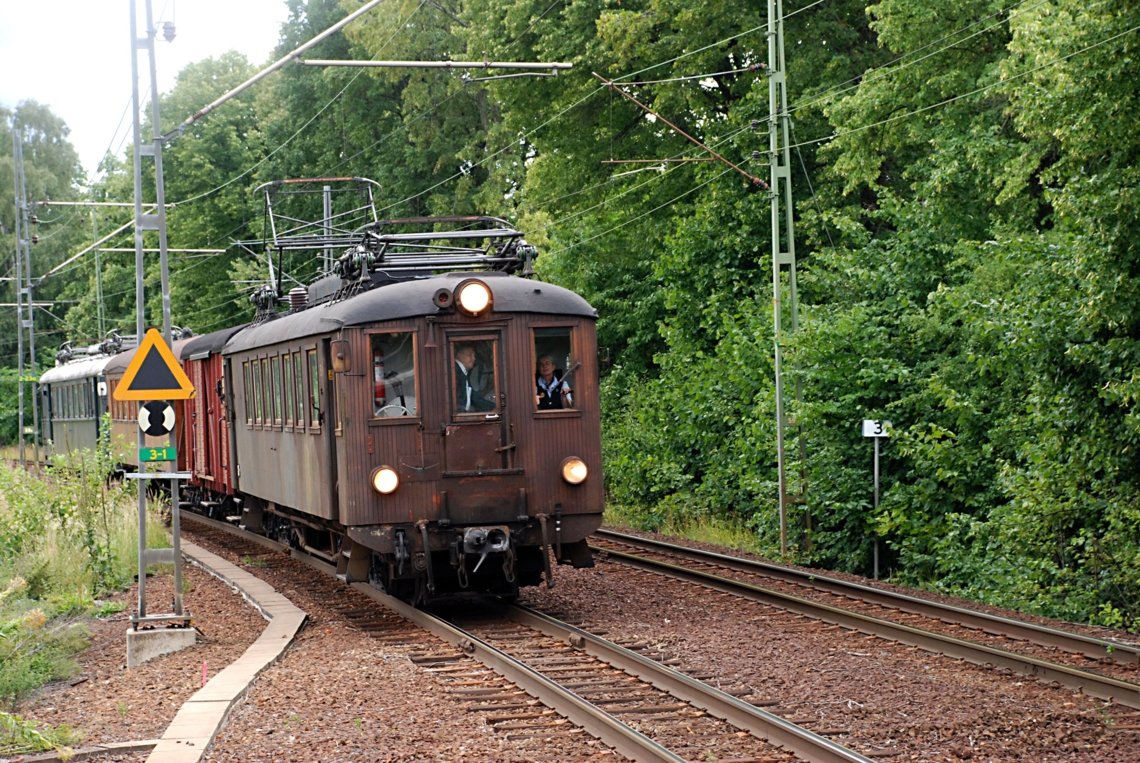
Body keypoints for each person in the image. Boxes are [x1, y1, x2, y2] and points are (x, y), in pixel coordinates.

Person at [455, 344, 494, 411]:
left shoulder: (462, 372)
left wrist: (494, 407)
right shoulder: (455, 372)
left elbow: (473, 398)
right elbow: (459, 403)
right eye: (469, 355)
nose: (474, 358)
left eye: (474, 355)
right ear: (459, 355)